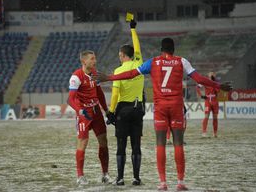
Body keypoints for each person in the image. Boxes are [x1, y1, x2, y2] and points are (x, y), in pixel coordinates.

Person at [93, 38, 232, 191]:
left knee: (160, 143)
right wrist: (219, 85)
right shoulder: (182, 61)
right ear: (173, 49)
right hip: (176, 107)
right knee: (178, 143)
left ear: (161, 49)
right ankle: (180, 182)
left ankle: (163, 183)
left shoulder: (153, 62)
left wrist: (109, 77)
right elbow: (199, 79)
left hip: (160, 108)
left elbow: (131, 74)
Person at [106, 19, 144, 186]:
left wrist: (110, 111)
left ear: (122, 55)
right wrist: (133, 29)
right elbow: (137, 46)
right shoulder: (139, 65)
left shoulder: (118, 71)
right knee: (136, 144)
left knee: (121, 145)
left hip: (122, 110)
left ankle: (120, 178)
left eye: (119, 55)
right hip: (137, 109)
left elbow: (115, 95)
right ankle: (136, 178)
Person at [67, 50, 111, 186]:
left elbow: (99, 93)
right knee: (83, 143)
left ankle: (105, 174)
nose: (94, 61)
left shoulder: (95, 74)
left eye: (95, 59)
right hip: (84, 114)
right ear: (84, 61)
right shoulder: (76, 77)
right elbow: (70, 99)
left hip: (96, 111)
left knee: (103, 142)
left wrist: (106, 110)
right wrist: (80, 111)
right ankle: (80, 176)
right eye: (92, 59)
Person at [196, 72, 220, 138]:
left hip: (215, 100)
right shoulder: (205, 81)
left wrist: (214, 83)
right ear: (208, 75)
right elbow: (197, 87)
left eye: (213, 74)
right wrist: (201, 96)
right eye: (211, 74)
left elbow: (218, 91)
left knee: (215, 117)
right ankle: (204, 132)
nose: (212, 74)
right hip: (207, 100)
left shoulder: (216, 82)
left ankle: (215, 133)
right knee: (206, 116)